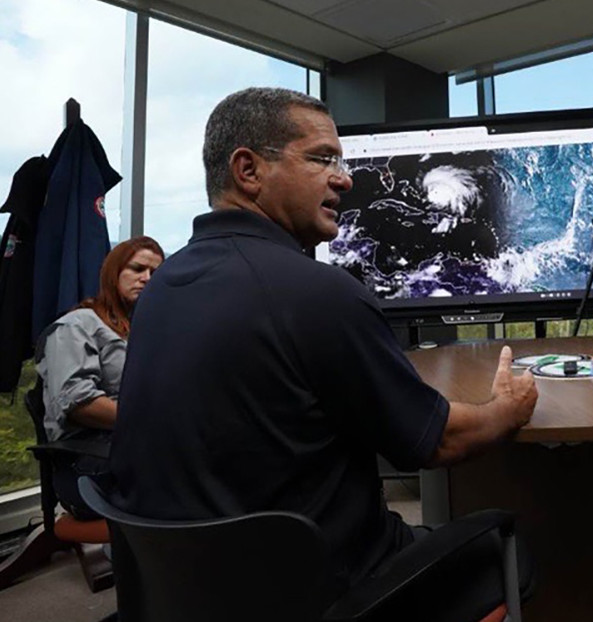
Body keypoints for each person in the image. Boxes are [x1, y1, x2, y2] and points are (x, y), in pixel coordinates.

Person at [107, 88, 538, 618]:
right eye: (321, 158)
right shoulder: (318, 291)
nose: (345, 177)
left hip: (186, 590)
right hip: (320, 594)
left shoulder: (164, 284)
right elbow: (440, 442)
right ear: (248, 170)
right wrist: (509, 407)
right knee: (501, 553)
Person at [34, 235, 163, 519]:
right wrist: (158, 423)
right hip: (88, 460)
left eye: (155, 273)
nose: (147, 278)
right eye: (137, 269)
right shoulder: (78, 324)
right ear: (114, 272)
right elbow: (80, 405)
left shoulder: (146, 333)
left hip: (136, 447)